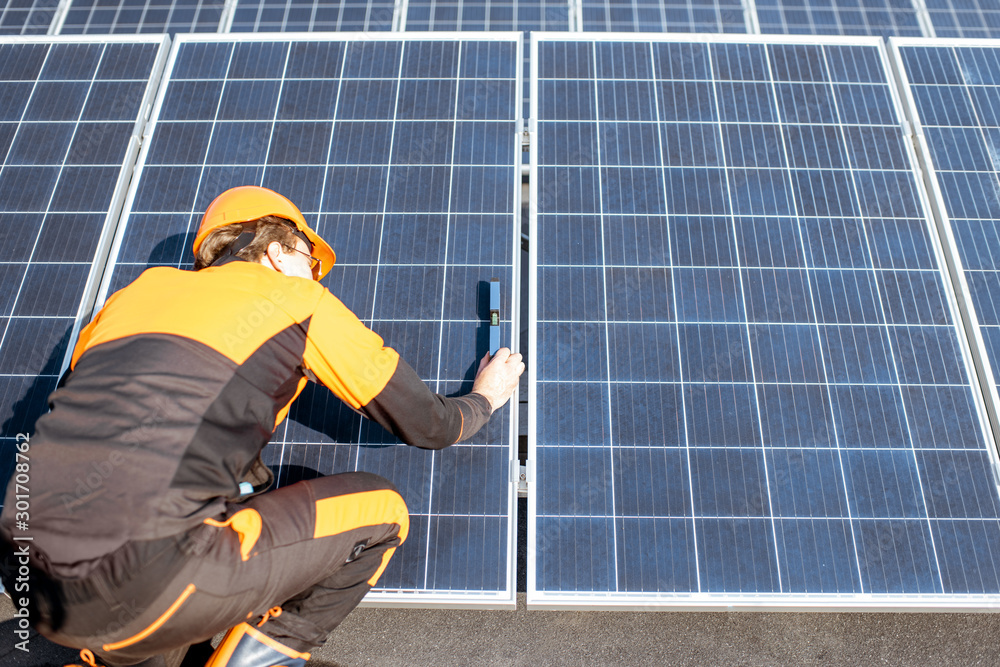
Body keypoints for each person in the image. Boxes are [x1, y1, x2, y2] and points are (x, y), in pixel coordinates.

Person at [0, 186, 524, 667]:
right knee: (385, 512)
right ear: (276, 252)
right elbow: (428, 424)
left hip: (25, 575)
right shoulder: (300, 303)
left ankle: (115, 653)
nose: (317, 276)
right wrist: (482, 399)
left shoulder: (131, 298)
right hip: (148, 581)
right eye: (309, 260)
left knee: (235, 497)